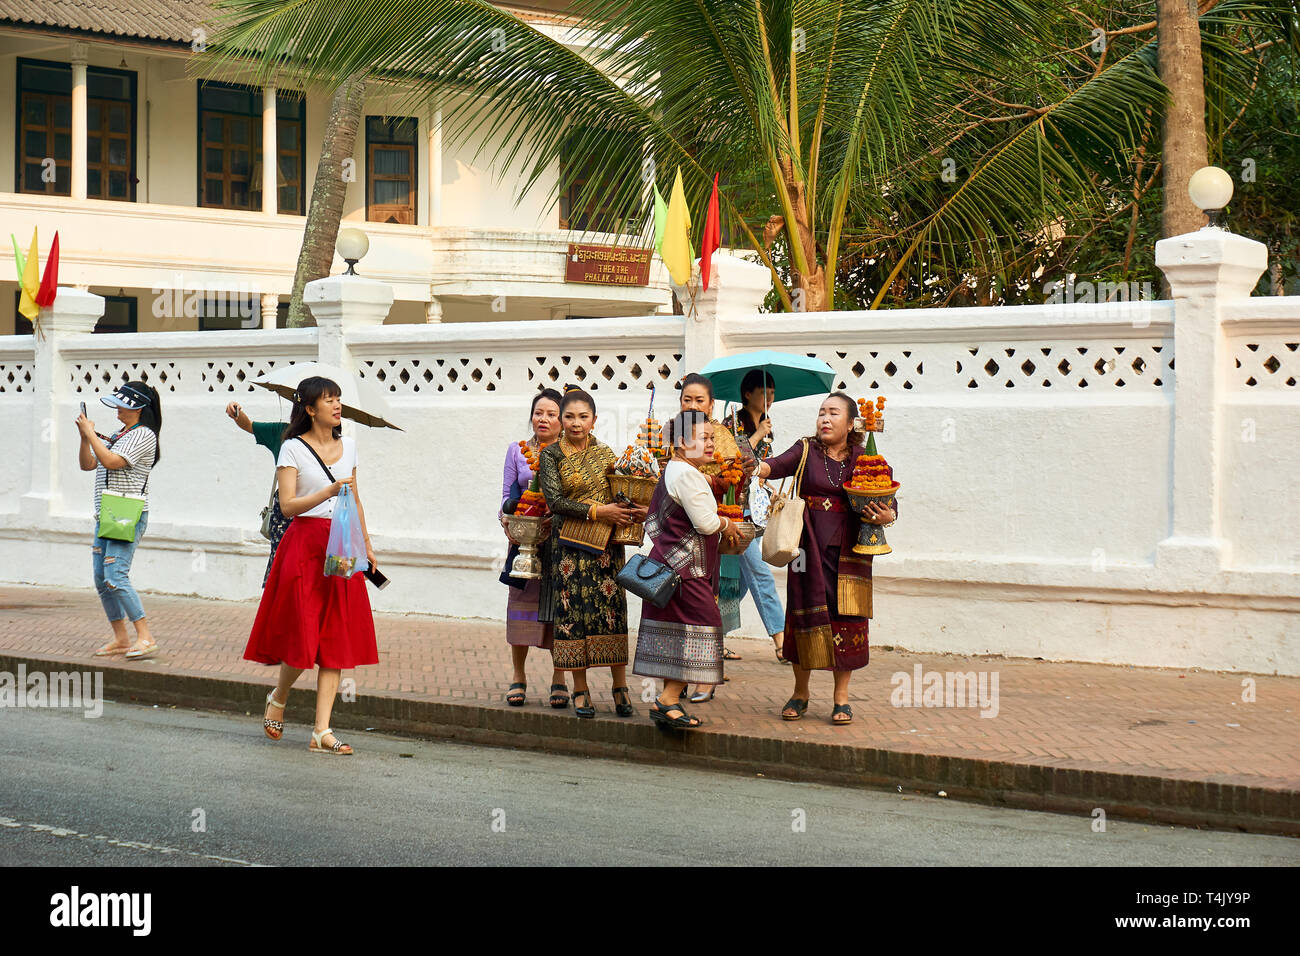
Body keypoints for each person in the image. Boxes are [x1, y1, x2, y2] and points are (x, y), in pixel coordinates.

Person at [244, 376, 379, 755]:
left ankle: (322, 730)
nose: (337, 406)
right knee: (303, 635)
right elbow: (287, 506)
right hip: (304, 545)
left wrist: (366, 544)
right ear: (309, 409)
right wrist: (326, 491)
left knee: (336, 635)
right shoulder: (292, 448)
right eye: (329, 400)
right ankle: (279, 696)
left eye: (338, 399)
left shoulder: (349, 446)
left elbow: (356, 498)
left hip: (341, 543)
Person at [755, 392, 897, 725]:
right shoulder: (804, 450)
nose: (825, 419)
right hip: (806, 550)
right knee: (803, 614)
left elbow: (889, 502)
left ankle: (841, 698)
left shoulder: (866, 458)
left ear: (851, 423)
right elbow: (774, 467)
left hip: (850, 553)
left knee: (846, 619)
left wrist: (885, 515)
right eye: (821, 413)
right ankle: (800, 693)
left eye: (834, 413)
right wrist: (753, 461)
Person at [536, 386, 645, 718]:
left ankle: (619, 687)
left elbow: (619, 490)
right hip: (569, 549)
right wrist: (600, 512)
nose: (576, 424)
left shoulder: (607, 454)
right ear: (561, 419)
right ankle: (579, 690)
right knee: (574, 618)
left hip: (606, 549)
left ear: (594, 420)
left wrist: (633, 507)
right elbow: (555, 502)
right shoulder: (551, 455)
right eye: (569, 417)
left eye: (583, 417)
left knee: (611, 613)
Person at [633, 410, 743, 729]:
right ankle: (667, 700)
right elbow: (706, 524)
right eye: (704, 438)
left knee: (678, 633)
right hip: (685, 570)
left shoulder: (676, 469)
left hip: (670, 566)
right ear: (682, 442)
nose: (710, 444)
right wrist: (727, 522)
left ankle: (669, 704)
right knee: (705, 628)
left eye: (711, 437)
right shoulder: (687, 474)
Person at [78, 382, 162, 661]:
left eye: (121, 404)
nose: (116, 408)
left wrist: (92, 433)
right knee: (102, 578)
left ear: (136, 407)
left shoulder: (144, 435)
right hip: (107, 514)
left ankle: (146, 636)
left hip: (127, 513)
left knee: (116, 575)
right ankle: (121, 638)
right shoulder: (120, 434)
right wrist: (84, 438)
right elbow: (89, 464)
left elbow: (112, 462)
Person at [499, 388, 569, 708]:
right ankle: (518, 676)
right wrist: (508, 520)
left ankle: (559, 678)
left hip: (558, 540)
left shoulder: (570, 453)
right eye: (539, 412)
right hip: (524, 539)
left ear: (562, 421)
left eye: (551, 414)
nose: (544, 419)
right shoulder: (517, 451)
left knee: (557, 609)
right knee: (520, 605)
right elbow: (506, 495)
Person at [720, 369, 787, 664]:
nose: (769, 398)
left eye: (772, 393)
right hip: (735, 511)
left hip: (757, 511)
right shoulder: (732, 422)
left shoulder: (767, 426)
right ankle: (782, 641)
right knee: (761, 576)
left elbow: (760, 469)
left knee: (740, 584)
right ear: (748, 394)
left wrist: (771, 490)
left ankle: (714, 637)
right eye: (764, 392)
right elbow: (730, 460)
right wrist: (758, 433)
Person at [225, 401, 290, 587]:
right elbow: (249, 425)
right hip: (286, 517)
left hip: (318, 518)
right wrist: (237, 414)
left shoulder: (333, 441)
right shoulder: (283, 433)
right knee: (282, 578)